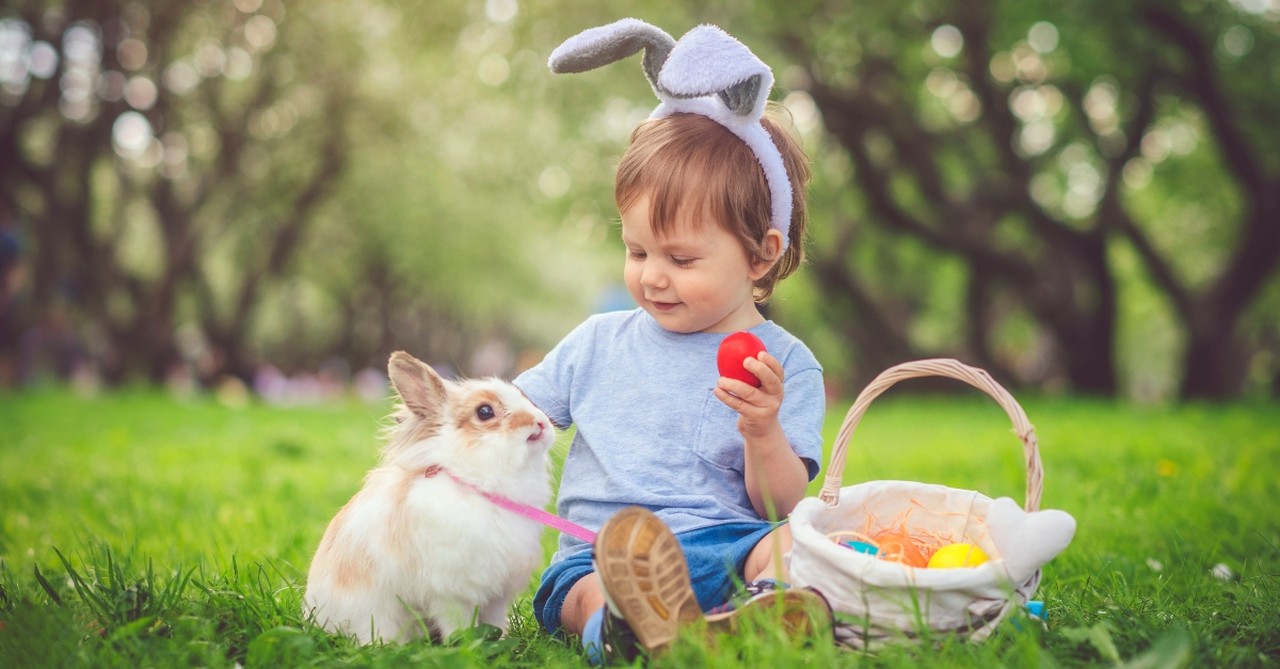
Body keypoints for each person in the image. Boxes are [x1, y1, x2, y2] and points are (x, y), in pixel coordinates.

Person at [513, 19, 831, 663]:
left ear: (760, 255)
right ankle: (630, 629)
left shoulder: (787, 366)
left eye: (682, 259)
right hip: (606, 550)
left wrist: (763, 431)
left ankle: (760, 611)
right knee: (588, 592)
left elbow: (780, 503)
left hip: (731, 544)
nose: (652, 275)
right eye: (636, 250)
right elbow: (515, 416)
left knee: (795, 543)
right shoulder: (597, 342)